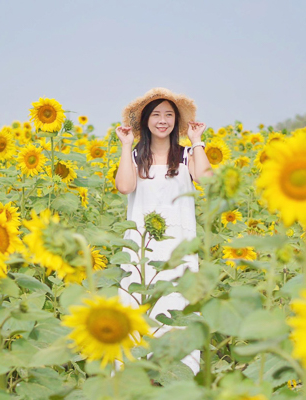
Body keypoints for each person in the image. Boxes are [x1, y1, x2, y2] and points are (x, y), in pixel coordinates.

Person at [114, 87, 212, 374]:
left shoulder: (184, 156)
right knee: (137, 312)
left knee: (178, 309)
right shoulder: (135, 157)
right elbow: (124, 187)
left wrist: (197, 141)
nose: (162, 120)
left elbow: (206, 179)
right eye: (156, 114)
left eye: (169, 114)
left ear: (176, 121)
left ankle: (179, 381)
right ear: (145, 120)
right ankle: (133, 384)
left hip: (178, 249)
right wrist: (124, 145)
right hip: (142, 252)